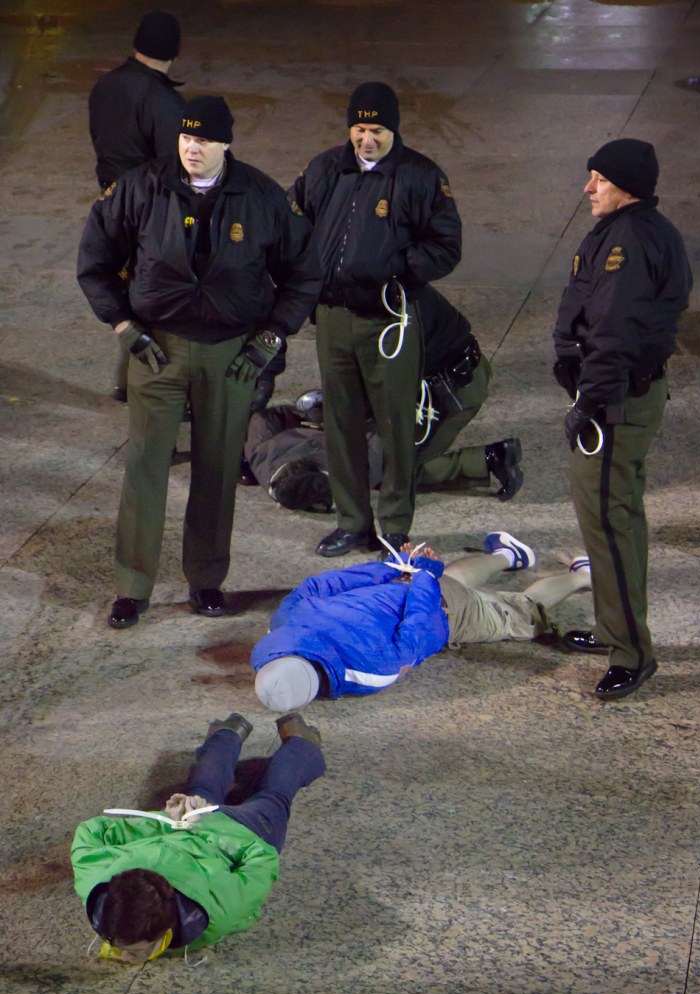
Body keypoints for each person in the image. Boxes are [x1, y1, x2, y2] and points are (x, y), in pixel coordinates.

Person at [77, 95, 322, 629]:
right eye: (186, 138)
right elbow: (94, 262)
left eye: (204, 140)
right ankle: (132, 587)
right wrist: (123, 326)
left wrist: (272, 337)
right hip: (157, 351)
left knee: (217, 467)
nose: (192, 148)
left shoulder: (261, 197)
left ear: (226, 143)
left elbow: (304, 271)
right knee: (145, 466)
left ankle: (206, 579)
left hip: (230, 353)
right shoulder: (140, 188)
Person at [288, 81, 463, 558]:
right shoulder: (324, 168)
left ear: (394, 129)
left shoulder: (420, 177)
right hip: (333, 317)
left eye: (378, 130)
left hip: (388, 322)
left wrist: (398, 269)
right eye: (360, 129)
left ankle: (394, 526)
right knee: (340, 424)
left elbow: (446, 247)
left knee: (395, 426)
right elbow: (292, 225)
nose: (367, 139)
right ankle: (352, 522)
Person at [552, 138, 693, 701]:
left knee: (612, 524)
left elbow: (616, 331)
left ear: (626, 185)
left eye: (598, 179)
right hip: (618, 395)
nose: (588, 188)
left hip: (617, 403)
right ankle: (616, 628)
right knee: (612, 518)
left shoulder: (630, 241)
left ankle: (632, 652)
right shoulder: (632, 230)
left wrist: (589, 400)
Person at [71, 712, 324, 963]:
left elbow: (264, 859)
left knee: (274, 797)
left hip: (238, 829)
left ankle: (300, 744)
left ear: (167, 929)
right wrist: (169, 823)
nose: (126, 958)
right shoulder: (93, 879)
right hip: (195, 819)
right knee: (202, 788)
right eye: (111, 942)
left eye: (140, 952)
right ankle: (229, 732)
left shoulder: (219, 916)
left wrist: (176, 826)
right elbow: (91, 832)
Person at [242, 286, 524, 510]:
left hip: (451, 391)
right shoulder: (365, 295)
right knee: (388, 468)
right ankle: (489, 458)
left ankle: (489, 459)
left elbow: (382, 427)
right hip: (417, 385)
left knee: (395, 470)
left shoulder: (389, 310)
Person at [251, 532, 592, 710]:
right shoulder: (280, 626)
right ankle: (507, 555)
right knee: (453, 578)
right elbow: (321, 585)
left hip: (440, 606)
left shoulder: (372, 670)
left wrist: (424, 580)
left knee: (523, 613)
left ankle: (582, 576)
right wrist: (396, 568)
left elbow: (423, 627)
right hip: (394, 583)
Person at [88, 11, 186, 401]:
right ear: (174, 52)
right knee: (156, 294)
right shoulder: (164, 101)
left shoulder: (104, 86)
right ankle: (146, 382)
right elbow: (176, 165)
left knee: (126, 291)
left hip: (109, 202)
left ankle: (126, 379)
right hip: (147, 210)